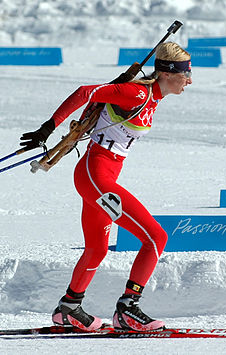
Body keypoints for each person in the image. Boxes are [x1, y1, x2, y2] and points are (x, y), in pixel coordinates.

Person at [20, 42, 192, 331]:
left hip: (101, 177)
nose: (190, 80)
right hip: (95, 176)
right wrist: (48, 128)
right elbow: (87, 91)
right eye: (185, 73)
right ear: (167, 73)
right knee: (155, 238)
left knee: (97, 249)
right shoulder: (137, 92)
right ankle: (128, 309)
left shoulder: (153, 97)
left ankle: (69, 308)